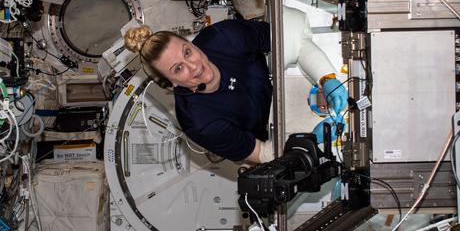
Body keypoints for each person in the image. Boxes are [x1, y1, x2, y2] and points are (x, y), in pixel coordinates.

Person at [123, 8, 347, 164]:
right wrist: (309, 138)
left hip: (287, 78)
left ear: (191, 43)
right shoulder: (200, 122)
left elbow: (293, 38)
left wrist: (326, 78)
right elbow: (262, 154)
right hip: (280, 131)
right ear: (171, 83)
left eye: (187, 52)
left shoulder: (224, 37)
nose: (193, 66)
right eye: (178, 69)